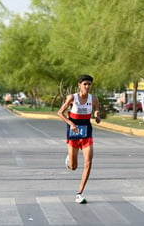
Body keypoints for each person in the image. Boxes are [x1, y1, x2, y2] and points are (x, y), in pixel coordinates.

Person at [57, 74, 101, 204]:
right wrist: (71, 123)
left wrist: (98, 116)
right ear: (79, 85)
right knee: (74, 166)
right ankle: (69, 159)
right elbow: (60, 112)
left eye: (89, 84)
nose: (87, 86)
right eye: (85, 84)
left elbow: (97, 111)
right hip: (73, 131)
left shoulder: (94, 99)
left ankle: (79, 193)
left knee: (88, 162)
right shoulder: (72, 98)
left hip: (86, 131)